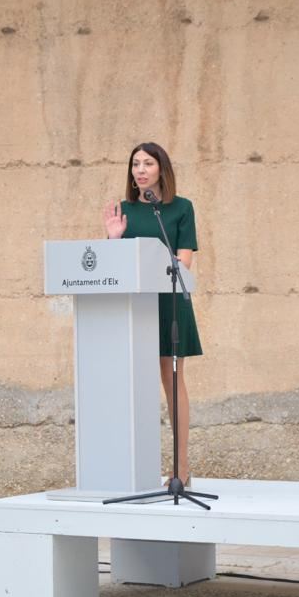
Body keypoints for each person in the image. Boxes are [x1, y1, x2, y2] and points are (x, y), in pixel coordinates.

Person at [102, 142, 202, 486]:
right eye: (135, 164)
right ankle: (131, 466)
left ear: (162, 169)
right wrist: (114, 239)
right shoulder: (123, 210)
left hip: (169, 301)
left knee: (172, 381)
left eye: (147, 163)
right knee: (132, 385)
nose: (140, 170)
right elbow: (113, 267)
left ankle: (181, 470)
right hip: (135, 305)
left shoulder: (180, 208)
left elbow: (184, 261)